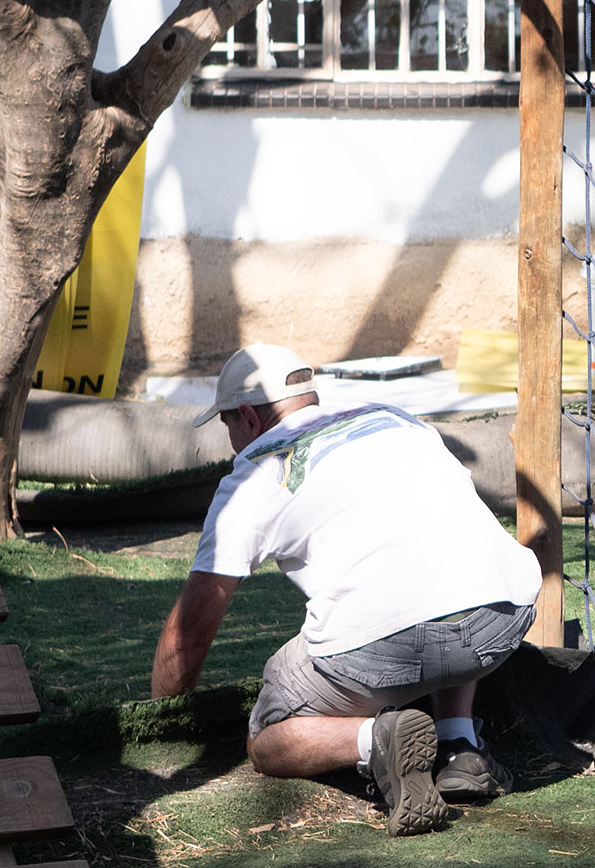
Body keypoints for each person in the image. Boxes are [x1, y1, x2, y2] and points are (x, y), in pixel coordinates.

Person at [151, 344, 543, 837]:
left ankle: (377, 738)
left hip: (393, 640)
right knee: (445, 571)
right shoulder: (395, 417)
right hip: (505, 613)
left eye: (227, 424)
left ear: (248, 417)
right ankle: (459, 743)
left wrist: (163, 719)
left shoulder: (256, 472)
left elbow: (192, 630)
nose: (231, 439)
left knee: (267, 736)